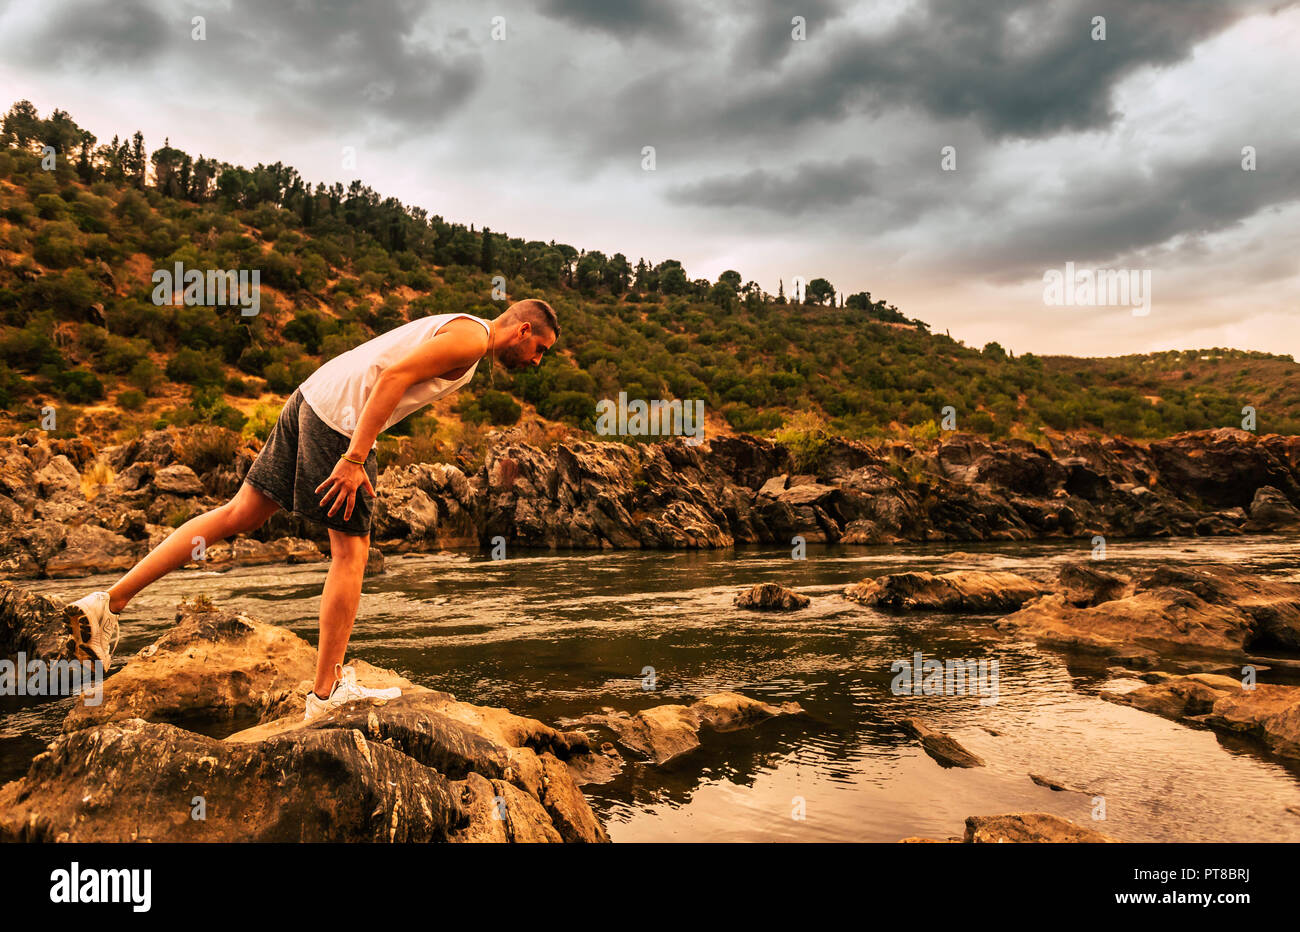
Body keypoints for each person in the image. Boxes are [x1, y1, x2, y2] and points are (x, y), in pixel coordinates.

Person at [63, 299, 558, 720]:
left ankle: (108, 603)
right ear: (523, 329)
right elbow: (392, 376)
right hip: (342, 421)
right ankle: (326, 694)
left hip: (310, 397)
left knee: (241, 514)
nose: (537, 362)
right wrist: (355, 457)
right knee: (352, 552)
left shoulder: (461, 326)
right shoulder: (471, 340)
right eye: (540, 350)